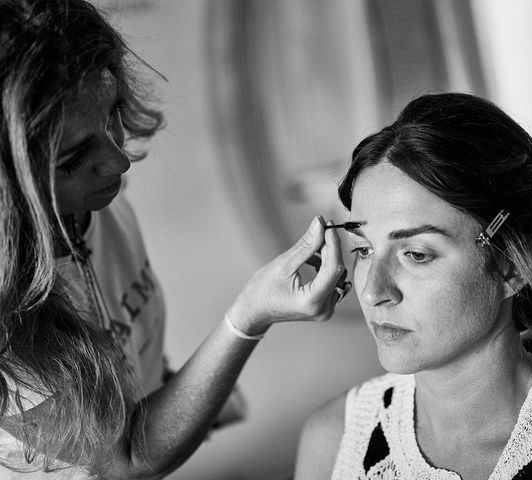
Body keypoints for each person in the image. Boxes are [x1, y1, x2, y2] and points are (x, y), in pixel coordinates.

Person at [0, 0, 348, 478]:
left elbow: (125, 338)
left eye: (112, 115)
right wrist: (248, 317)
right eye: (74, 158)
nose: (119, 163)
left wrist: (172, 389)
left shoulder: (99, 207)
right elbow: (127, 462)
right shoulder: (7, 326)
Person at [295, 92, 532, 480]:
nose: (374, 292)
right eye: (363, 249)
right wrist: (246, 320)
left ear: (514, 263)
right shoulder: (334, 439)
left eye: (417, 254)